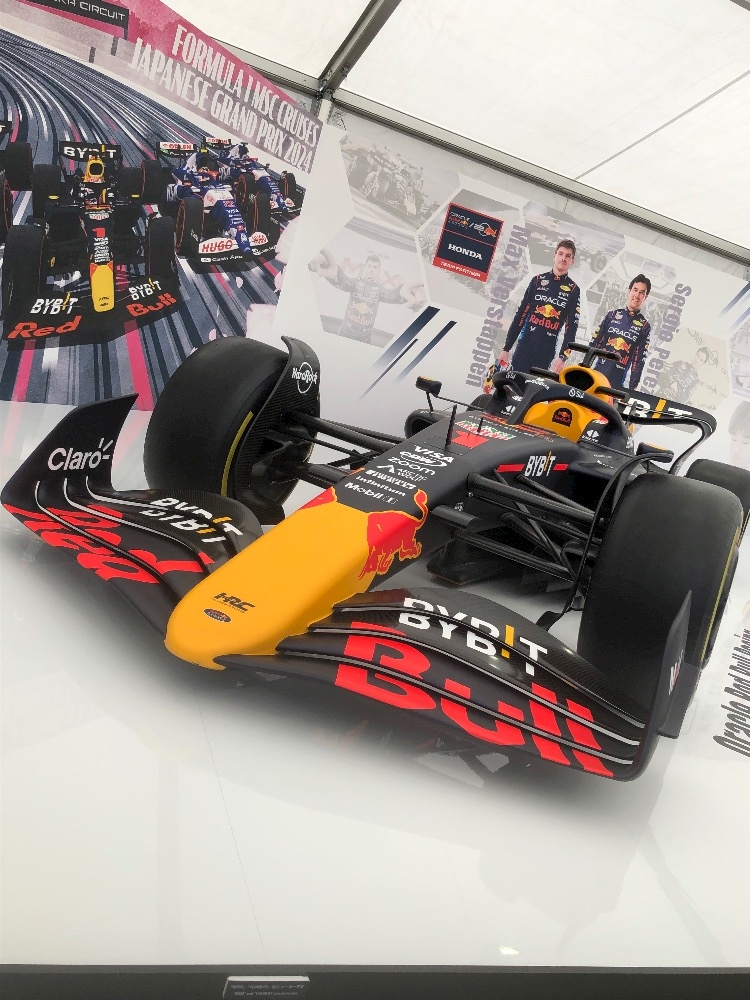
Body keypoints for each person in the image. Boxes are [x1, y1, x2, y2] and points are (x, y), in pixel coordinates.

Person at [493, 239, 580, 376]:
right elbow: (520, 316)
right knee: (513, 386)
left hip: (546, 353)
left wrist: (563, 357)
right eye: (561, 254)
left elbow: (571, 328)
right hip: (524, 348)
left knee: (534, 389)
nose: (563, 258)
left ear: (572, 261)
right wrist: (506, 348)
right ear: (554, 256)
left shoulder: (574, 290)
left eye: (568, 256)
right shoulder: (537, 281)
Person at [309, 248, 424, 343]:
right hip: (344, 335)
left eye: (375, 267)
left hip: (365, 340)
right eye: (369, 266)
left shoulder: (379, 289)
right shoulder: (354, 283)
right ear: (365, 267)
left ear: (378, 270)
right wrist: (335, 274)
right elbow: (343, 282)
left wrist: (406, 291)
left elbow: (393, 295)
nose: (371, 269)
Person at [589, 274, 652, 389]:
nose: (637, 295)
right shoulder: (612, 315)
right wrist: (585, 368)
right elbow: (594, 343)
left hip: (616, 384)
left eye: (642, 292)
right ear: (629, 291)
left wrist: (633, 388)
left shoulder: (644, 326)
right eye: (635, 290)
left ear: (645, 297)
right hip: (596, 376)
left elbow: (638, 361)